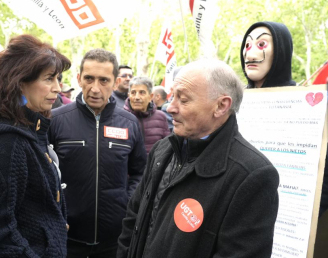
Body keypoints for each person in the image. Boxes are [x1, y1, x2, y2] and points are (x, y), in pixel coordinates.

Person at [117, 59, 280, 258]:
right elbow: (133, 218)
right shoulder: (163, 149)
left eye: (183, 100)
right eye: (172, 97)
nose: (170, 108)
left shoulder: (252, 175)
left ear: (221, 106)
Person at [0, 34, 71, 257]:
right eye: (49, 79)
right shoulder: (5, 142)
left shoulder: (30, 129)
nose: (57, 88)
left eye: (58, 79)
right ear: (20, 81)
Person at [49, 49, 147, 258]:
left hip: (114, 240)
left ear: (115, 82)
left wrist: (126, 202)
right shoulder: (55, 120)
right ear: (79, 79)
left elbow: (140, 172)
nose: (95, 88)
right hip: (66, 239)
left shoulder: (130, 123)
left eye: (103, 80)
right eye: (89, 79)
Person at [240, 21, 296, 88]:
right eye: (247, 45)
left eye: (262, 44)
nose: (249, 56)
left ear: (281, 50)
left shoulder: (300, 96)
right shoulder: (236, 97)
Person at [124, 77, 170, 154]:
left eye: (142, 92)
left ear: (150, 96)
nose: (137, 97)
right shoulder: (121, 117)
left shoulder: (161, 117)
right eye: (133, 92)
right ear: (129, 95)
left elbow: (167, 146)